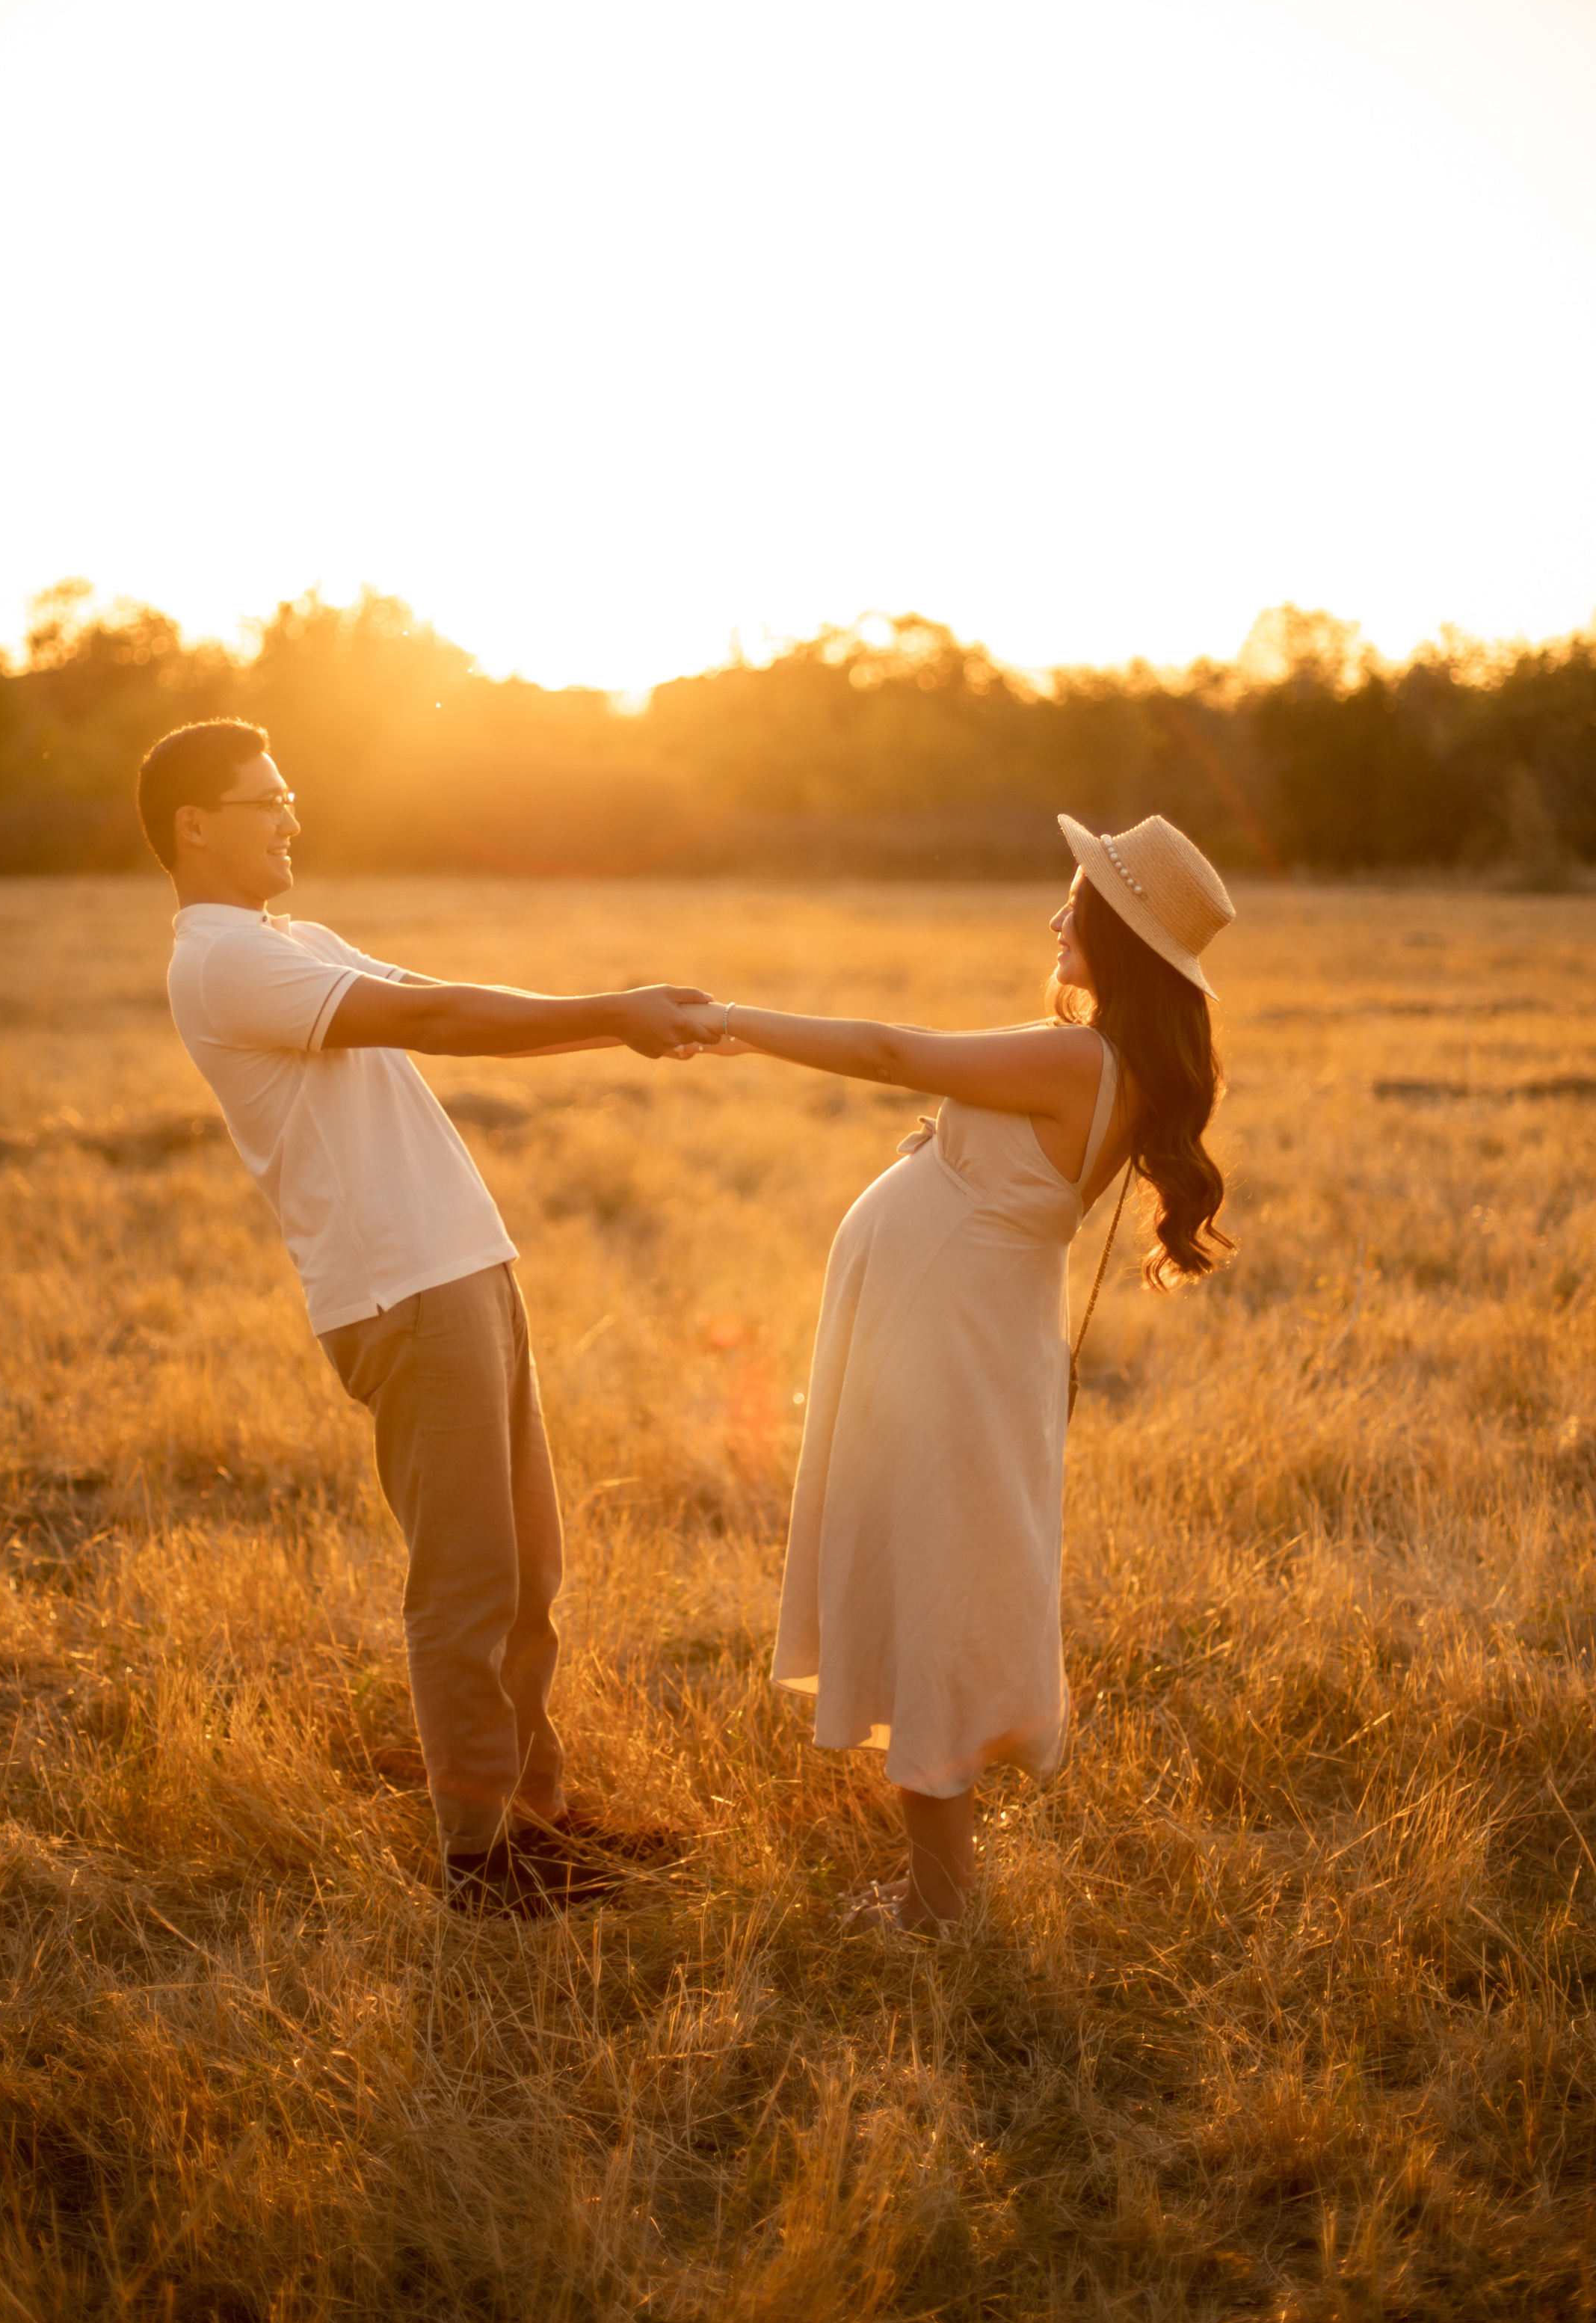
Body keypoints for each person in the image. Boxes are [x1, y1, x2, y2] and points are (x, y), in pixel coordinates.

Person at [137, 717, 712, 1919]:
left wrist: (617, 1010)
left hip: (462, 1270)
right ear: (196, 825)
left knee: (528, 1570)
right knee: (467, 1583)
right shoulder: (224, 961)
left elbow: (443, 996)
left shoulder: (293, 939)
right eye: (267, 798)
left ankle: (539, 1821)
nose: (292, 815)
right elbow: (439, 1020)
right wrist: (616, 1011)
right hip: (404, 1290)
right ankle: (482, 1860)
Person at [692, 813, 1236, 1935]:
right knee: (932, 1584)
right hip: (958, 1346)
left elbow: (894, 1053)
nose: (1052, 917)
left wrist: (728, 1021)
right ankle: (936, 1886)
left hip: (946, 1357)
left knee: (933, 1596)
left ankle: (940, 1907)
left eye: (1074, 902)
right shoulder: (1108, 1060)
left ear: (1119, 937)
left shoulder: (1079, 1057)